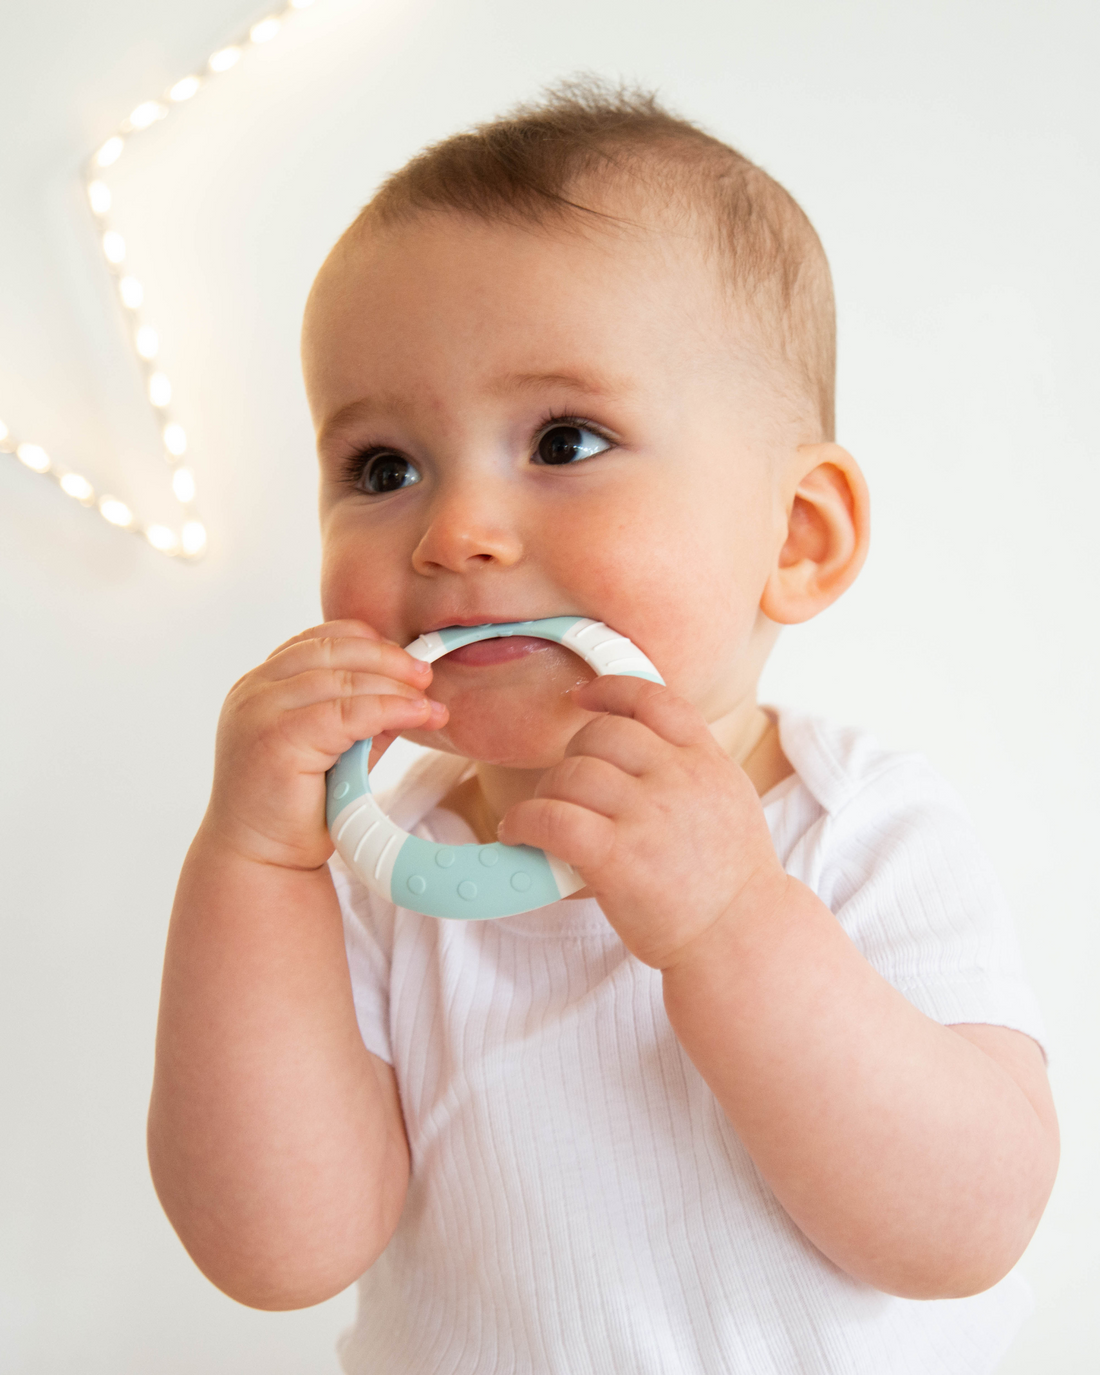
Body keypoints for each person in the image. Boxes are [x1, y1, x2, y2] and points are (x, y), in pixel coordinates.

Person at [148, 82, 1058, 1373]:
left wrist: (728, 920)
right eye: (381, 467)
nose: (454, 528)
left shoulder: (854, 826)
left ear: (795, 539)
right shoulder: (372, 870)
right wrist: (251, 869)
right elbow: (277, 1252)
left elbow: (964, 1226)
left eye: (565, 440)